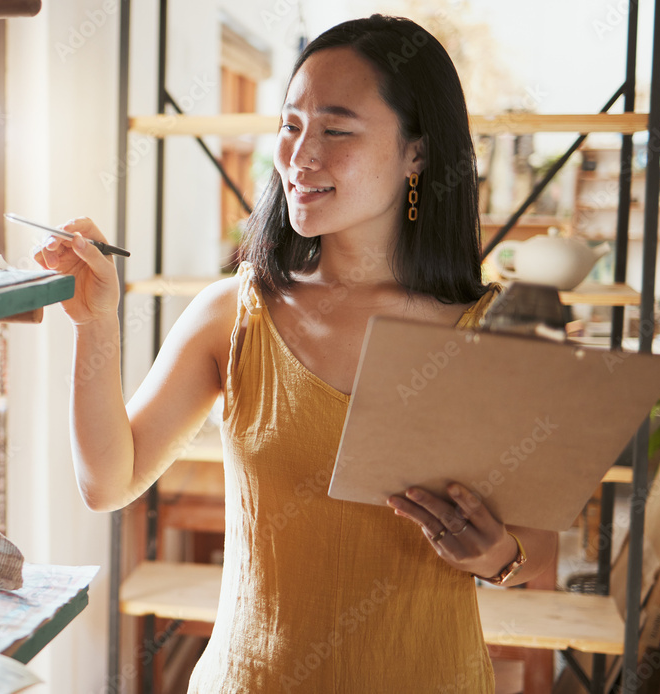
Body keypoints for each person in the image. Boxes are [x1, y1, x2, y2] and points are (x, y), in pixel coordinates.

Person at [36, 14, 557, 693]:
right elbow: (109, 480)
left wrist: (495, 554)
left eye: (336, 129)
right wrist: (96, 324)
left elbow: (539, 546)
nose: (300, 155)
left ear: (419, 154)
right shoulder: (236, 313)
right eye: (290, 124)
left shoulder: (490, 334)